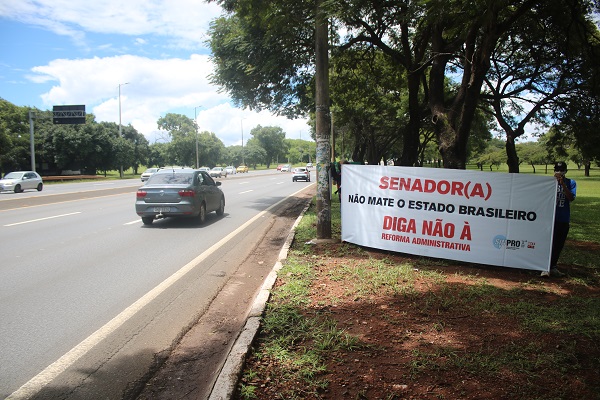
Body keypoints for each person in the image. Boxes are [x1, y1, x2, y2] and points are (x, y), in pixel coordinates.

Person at [547, 161, 576, 277]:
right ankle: (544, 266)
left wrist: (563, 184)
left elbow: (571, 198)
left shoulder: (571, 182)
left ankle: (553, 266)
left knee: (558, 244)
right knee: (548, 243)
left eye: (561, 170)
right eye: (557, 170)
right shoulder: (548, 182)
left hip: (563, 218)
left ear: (565, 171)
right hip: (549, 218)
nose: (559, 172)